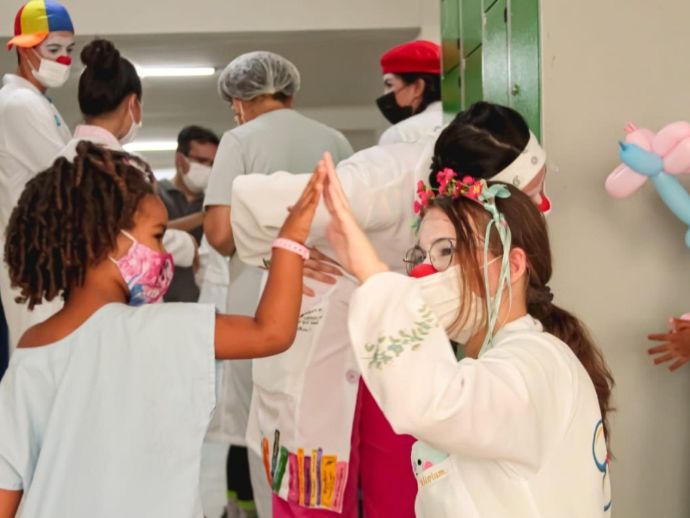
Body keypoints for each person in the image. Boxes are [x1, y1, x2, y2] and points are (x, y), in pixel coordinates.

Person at [228, 102, 550, 517]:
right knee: (319, 496)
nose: (543, 204)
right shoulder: (380, 182)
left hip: (394, 338)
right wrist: (289, 253)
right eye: (534, 193)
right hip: (325, 340)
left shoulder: (469, 192)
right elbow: (254, 199)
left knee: (405, 490)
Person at [0, 142, 327, 518]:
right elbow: (271, 331)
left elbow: (6, 486)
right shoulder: (165, 330)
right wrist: (290, 240)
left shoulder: (31, 352)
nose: (164, 255)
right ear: (107, 239)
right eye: (157, 237)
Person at [321, 159, 615, 517]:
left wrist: (373, 276)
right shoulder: (490, 362)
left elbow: (437, 403)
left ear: (513, 265)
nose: (426, 271)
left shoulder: (536, 362)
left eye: (446, 251)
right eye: (421, 256)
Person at [203, 50, 353, 518]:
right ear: (291, 91)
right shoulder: (336, 140)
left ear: (238, 101)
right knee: (327, 423)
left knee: (266, 425)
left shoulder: (239, 139)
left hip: (263, 297)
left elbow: (220, 234)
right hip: (334, 298)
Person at [56, 38, 198, 271]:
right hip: (114, 295)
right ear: (133, 104)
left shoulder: (58, 162)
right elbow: (133, 237)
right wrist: (185, 245)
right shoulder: (126, 171)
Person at [0, 0, 75, 351]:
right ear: (25, 50)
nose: (64, 59)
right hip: (32, 262)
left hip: (46, 258)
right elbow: (70, 178)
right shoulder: (18, 105)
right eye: (53, 49)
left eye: (69, 50)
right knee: (37, 365)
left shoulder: (41, 104)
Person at [159, 125, 220, 302]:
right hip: (158, 304)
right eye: (201, 161)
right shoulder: (155, 195)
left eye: (213, 164)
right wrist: (204, 217)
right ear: (180, 159)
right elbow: (151, 233)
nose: (208, 168)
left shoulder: (211, 202)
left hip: (201, 302)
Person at [376, 40, 442, 146]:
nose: (385, 94)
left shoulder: (400, 134)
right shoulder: (467, 124)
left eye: (389, 85)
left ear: (417, 87)